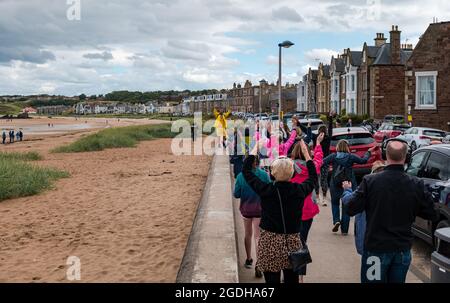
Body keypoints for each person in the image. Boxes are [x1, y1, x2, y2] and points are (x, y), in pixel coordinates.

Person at [346, 140, 438, 283]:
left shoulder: (370, 181)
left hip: (376, 249)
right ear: (406, 157)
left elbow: (351, 208)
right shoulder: (416, 184)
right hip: (401, 249)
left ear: (385, 155)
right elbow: (431, 213)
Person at [242, 139, 318, 284]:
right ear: (292, 173)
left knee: (271, 281)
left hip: (270, 240)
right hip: (292, 241)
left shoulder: (266, 190)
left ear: (272, 174)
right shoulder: (299, 190)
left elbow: (246, 171)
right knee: (291, 279)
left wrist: (256, 148)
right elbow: (313, 177)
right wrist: (307, 155)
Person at [322, 140, 376, 235]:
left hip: (335, 184)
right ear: (347, 147)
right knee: (346, 205)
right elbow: (363, 161)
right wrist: (368, 152)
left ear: (338, 147)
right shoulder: (351, 157)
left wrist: (329, 168)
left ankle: (336, 221)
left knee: (335, 203)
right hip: (348, 184)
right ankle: (344, 230)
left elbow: (322, 162)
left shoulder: (333, 156)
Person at [290, 132, 324, 282]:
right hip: (308, 210)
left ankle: (290, 272)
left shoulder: (289, 166)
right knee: (302, 241)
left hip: (292, 209)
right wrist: (318, 144)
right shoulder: (312, 168)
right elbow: (318, 159)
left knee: (290, 241)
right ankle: (300, 276)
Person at [234, 156, 271, 278]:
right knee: (257, 236)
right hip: (260, 209)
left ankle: (249, 258)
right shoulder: (264, 175)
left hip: (246, 209)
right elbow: (269, 190)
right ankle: (259, 263)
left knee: (247, 234)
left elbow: (236, 194)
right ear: (258, 162)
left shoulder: (240, 176)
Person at [341, 161, 386, 256]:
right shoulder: (392, 188)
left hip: (369, 241)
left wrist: (347, 190)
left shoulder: (368, 186)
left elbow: (349, 201)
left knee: (372, 269)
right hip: (388, 242)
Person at [300, 111, 335, 207]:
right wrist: (331, 118)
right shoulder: (328, 138)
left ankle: (318, 197)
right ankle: (323, 198)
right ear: (326, 131)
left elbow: (308, 132)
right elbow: (331, 129)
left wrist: (307, 126)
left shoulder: (316, 137)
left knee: (316, 179)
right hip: (325, 161)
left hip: (317, 161)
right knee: (324, 180)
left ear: (319, 131)